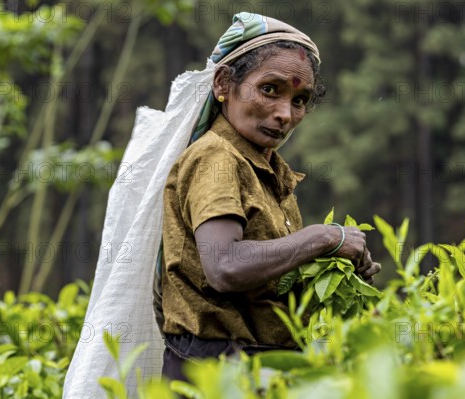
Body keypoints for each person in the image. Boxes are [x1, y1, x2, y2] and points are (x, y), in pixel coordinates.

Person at [155, 13, 382, 381]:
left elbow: (265, 281)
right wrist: (322, 238)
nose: (284, 114)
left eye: (300, 100)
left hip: (253, 365)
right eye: (270, 89)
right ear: (224, 84)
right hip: (214, 372)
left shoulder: (267, 168)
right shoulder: (217, 157)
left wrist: (334, 267)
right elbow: (225, 266)